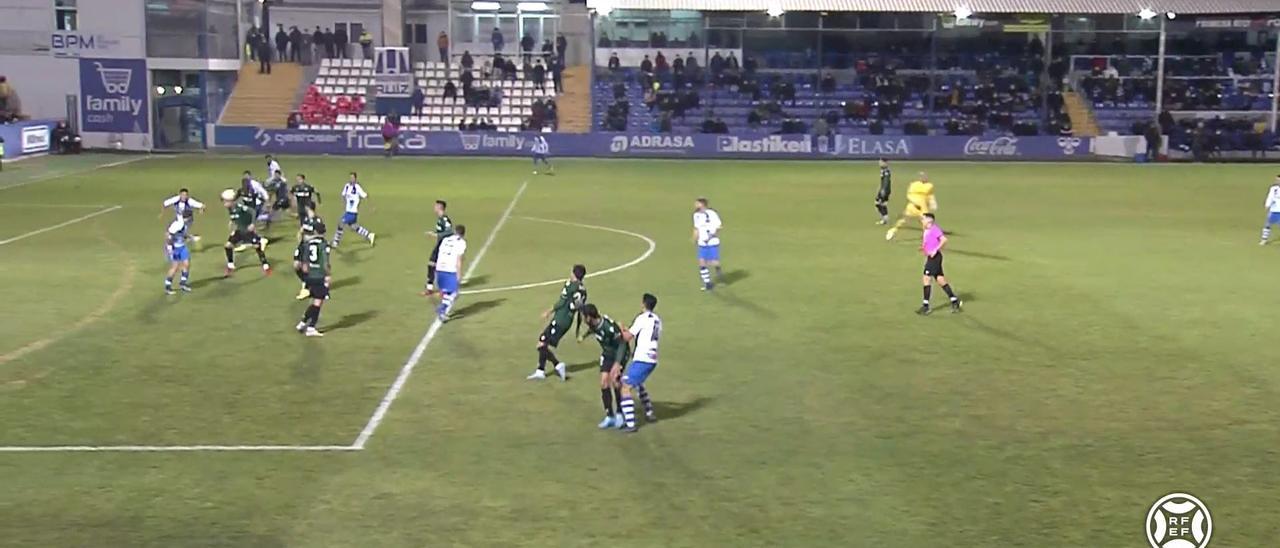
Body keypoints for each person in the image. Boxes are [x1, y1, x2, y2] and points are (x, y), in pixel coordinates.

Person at [528, 264, 587, 381]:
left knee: (541, 343)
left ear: (574, 274)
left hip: (560, 320)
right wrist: (578, 329)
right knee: (542, 342)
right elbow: (580, 309)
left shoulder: (570, 286)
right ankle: (541, 370)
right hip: (568, 321)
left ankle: (557, 365)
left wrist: (548, 311)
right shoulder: (583, 290)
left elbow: (561, 302)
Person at [579, 303, 629, 429]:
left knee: (615, 381)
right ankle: (609, 416)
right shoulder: (593, 324)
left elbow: (622, 343)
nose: (582, 319)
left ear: (589, 317)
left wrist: (618, 363)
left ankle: (620, 413)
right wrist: (584, 336)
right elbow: (592, 329)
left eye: (583, 316)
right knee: (603, 383)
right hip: (607, 353)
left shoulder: (608, 327)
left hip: (620, 353)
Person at [617, 293, 661, 432]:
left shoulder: (641, 318)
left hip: (643, 358)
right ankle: (649, 412)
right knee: (638, 383)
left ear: (643, 304)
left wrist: (621, 327)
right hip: (652, 358)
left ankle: (630, 424)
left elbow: (627, 337)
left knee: (625, 387)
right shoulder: (657, 320)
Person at [918, 213, 962, 315]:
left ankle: (926, 306)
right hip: (932, 257)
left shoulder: (934, 229)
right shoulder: (927, 230)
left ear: (929, 221)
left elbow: (944, 239)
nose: (921, 221)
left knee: (926, 278)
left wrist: (935, 250)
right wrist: (924, 248)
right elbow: (928, 242)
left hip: (935, 258)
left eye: (923, 219)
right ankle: (954, 300)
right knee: (940, 280)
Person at [222, 188, 271, 277]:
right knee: (228, 246)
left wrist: (252, 224)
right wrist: (231, 221)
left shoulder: (240, 207)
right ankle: (230, 265)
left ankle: (266, 265)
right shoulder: (230, 209)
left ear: (232, 201)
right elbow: (234, 217)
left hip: (248, 231)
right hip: (239, 231)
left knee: (257, 246)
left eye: (226, 201)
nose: (224, 203)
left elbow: (252, 211)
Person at [294, 219, 331, 337]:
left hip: (310, 275)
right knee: (318, 302)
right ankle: (310, 327)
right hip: (319, 275)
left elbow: (304, 265)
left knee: (316, 300)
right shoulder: (323, 244)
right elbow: (325, 262)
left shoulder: (308, 244)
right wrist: (327, 275)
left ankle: (302, 323)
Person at [886, 172, 936, 241]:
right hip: (913, 207)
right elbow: (909, 195)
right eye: (922, 177)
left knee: (926, 222)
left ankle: (927, 237)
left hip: (923, 208)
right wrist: (915, 202)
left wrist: (933, 203)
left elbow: (930, 195)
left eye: (925, 176)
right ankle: (892, 231)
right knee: (904, 220)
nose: (924, 178)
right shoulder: (914, 185)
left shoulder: (929, 186)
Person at [333, 172, 377, 248]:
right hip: (348, 211)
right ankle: (369, 235)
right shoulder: (347, 186)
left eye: (353, 178)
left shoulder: (357, 187)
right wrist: (343, 204)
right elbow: (343, 195)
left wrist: (372, 206)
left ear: (355, 179)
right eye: (350, 178)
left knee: (341, 223)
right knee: (354, 226)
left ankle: (335, 242)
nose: (351, 179)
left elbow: (366, 196)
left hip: (353, 212)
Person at [434, 225, 467, 321]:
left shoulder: (446, 240)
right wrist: (459, 274)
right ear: (463, 234)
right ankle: (442, 309)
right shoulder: (461, 242)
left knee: (447, 292)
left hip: (439, 267)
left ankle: (442, 308)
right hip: (450, 269)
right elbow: (459, 260)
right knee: (454, 293)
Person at [422, 200, 455, 296]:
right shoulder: (440, 219)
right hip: (440, 245)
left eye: (435, 206)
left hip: (444, 246)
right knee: (432, 265)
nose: (434, 208)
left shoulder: (444, 219)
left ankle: (443, 289)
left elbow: (450, 232)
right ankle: (430, 288)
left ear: (440, 207)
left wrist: (437, 235)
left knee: (440, 267)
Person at [692, 197, 723, 291]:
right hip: (702, 243)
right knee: (701, 262)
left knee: (713, 262)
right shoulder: (696, 215)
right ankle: (707, 283)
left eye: (697, 203)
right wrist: (695, 238)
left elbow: (719, 226)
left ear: (702, 204)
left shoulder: (712, 214)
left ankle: (718, 268)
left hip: (712, 242)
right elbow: (696, 228)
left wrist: (711, 236)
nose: (695, 205)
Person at [164, 219, 193, 295]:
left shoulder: (185, 225)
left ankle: (183, 283)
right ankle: (168, 286)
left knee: (187, 264)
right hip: (174, 248)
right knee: (175, 267)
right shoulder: (176, 226)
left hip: (182, 247)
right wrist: (170, 249)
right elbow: (168, 236)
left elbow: (183, 234)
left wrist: (190, 237)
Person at [1260, 175, 1280, 245]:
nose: (1277, 181)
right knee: (1267, 224)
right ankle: (1264, 240)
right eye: (1277, 180)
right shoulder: (1273, 188)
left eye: (1278, 180)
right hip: (1274, 210)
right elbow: (1270, 197)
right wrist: (1267, 205)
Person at [874, 158, 892, 225]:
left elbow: (886, 181)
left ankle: (885, 219)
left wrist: (883, 190)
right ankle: (885, 219)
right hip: (884, 189)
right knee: (880, 203)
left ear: (885, 163)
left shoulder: (886, 171)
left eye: (881, 162)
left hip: (885, 190)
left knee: (879, 204)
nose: (879, 163)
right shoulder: (883, 170)